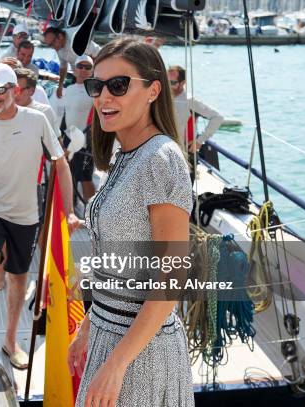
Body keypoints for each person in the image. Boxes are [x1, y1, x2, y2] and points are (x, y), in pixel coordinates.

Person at [68, 39, 194, 406]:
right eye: (97, 86)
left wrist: (118, 363)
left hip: (141, 352)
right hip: (111, 337)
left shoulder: (160, 159)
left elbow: (171, 278)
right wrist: (89, 325)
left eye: (118, 85)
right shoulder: (126, 154)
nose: (104, 96)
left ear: (153, 90)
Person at [0, 63, 79, 371]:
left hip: (27, 213)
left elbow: (61, 164)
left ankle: (11, 341)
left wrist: (68, 212)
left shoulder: (37, 120)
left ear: (14, 90)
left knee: (18, 277)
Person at [56, 55, 96, 201]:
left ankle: (92, 213)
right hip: (68, 137)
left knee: (86, 178)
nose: (83, 70)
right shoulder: (69, 89)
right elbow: (64, 116)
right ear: (74, 69)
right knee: (69, 175)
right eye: (80, 66)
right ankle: (70, 211)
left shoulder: (95, 90)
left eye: (87, 67)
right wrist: (60, 138)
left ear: (92, 71)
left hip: (86, 141)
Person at [168, 65, 224, 152]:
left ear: (182, 83)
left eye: (172, 83)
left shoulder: (190, 101)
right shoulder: (163, 98)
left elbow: (217, 117)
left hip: (184, 151)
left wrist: (199, 141)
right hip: (166, 149)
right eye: (166, 82)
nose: (168, 86)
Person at [42, 26, 100, 99]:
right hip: (79, 76)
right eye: (49, 45)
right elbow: (63, 67)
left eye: (51, 44)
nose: (52, 47)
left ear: (60, 37)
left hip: (95, 70)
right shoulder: (58, 47)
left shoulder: (76, 37)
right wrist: (60, 86)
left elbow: (95, 56)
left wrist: (93, 77)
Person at [14, 68, 59, 133]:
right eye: (14, 90)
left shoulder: (45, 111)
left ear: (31, 91)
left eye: (20, 90)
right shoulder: (4, 111)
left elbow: (56, 140)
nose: (16, 94)